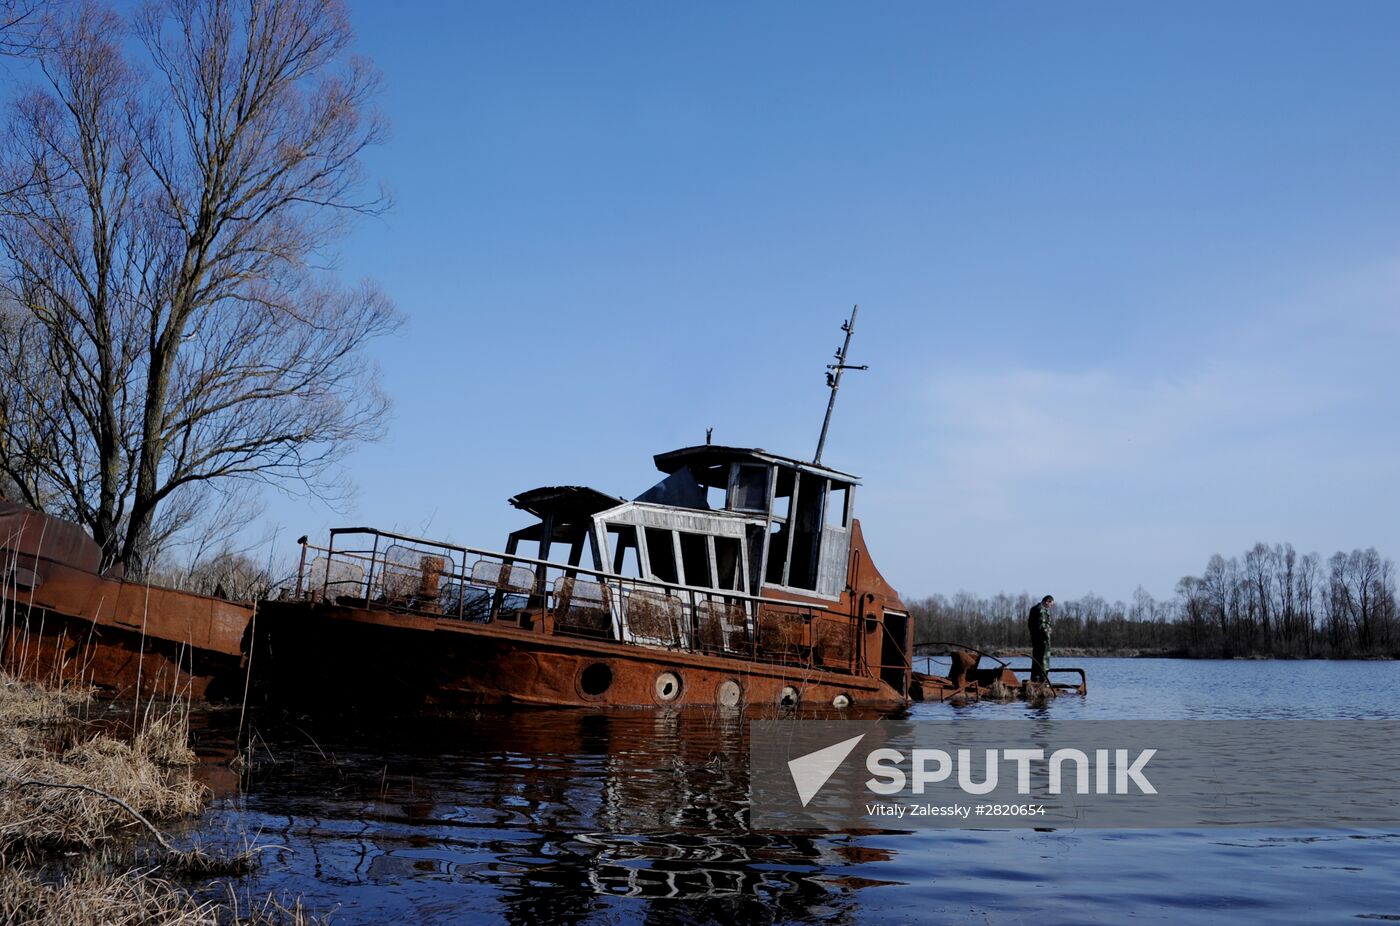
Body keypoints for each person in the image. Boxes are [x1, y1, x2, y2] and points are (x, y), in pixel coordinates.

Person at [1027, 595, 1054, 683]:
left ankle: (1034, 680)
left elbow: (1030, 625)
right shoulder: (1042, 610)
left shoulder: (1034, 608)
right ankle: (1043, 681)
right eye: (1051, 604)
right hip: (1043, 640)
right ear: (1047, 602)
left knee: (1036, 660)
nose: (1051, 606)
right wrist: (1047, 636)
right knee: (1044, 660)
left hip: (1035, 639)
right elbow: (1043, 627)